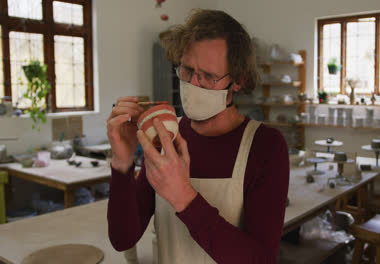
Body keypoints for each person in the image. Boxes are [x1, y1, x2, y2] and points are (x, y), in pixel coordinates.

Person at [107, 9, 290, 263]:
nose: (194, 84)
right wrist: (122, 163)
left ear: (238, 80)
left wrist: (184, 197)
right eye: (186, 70)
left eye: (208, 76)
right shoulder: (165, 134)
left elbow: (260, 259)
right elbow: (122, 239)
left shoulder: (265, 146)